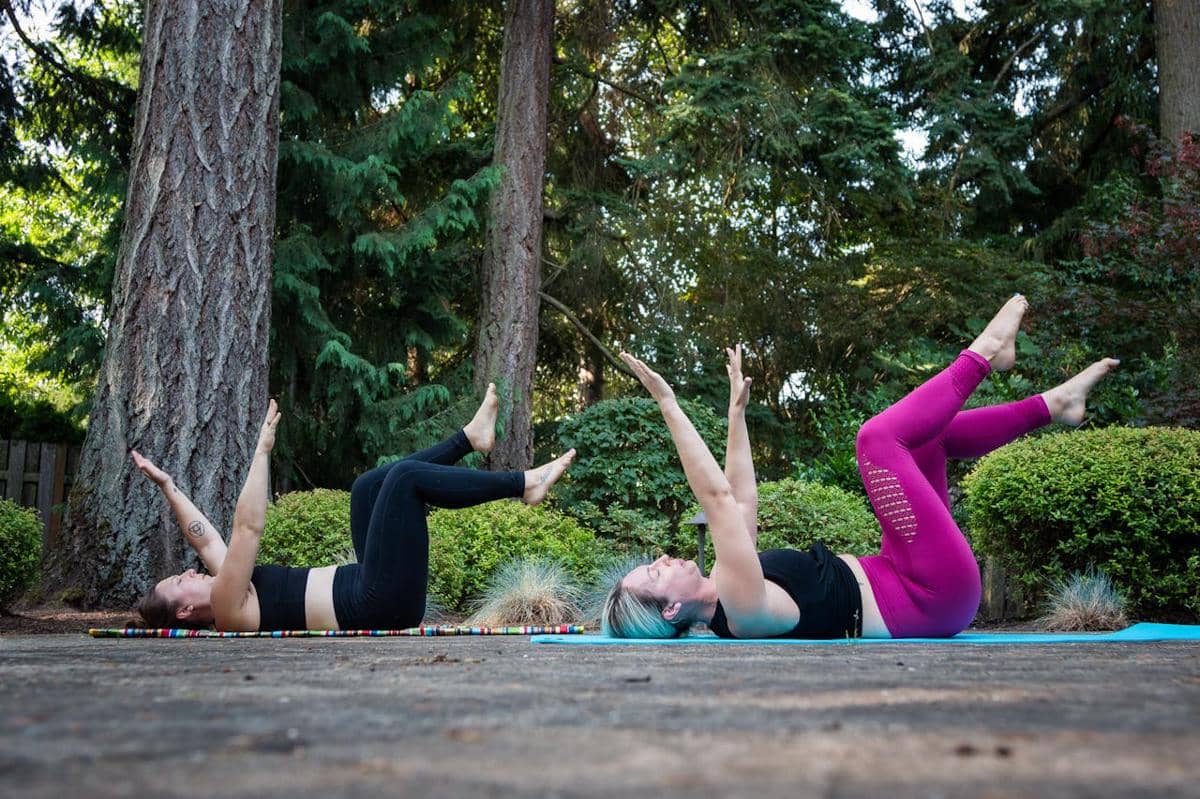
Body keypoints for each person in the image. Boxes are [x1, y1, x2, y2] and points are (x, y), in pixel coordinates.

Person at [603, 296, 1120, 639]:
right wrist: (667, 402)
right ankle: (985, 353)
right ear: (670, 610)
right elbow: (715, 501)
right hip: (934, 595)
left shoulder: (728, 582)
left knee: (929, 439)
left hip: (902, 570)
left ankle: (1055, 406)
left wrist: (736, 415)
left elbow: (741, 502)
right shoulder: (738, 607)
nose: (664, 558)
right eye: (655, 572)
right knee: (876, 438)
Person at [132, 385, 576, 631]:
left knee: (366, 487)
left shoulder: (228, 585)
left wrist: (168, 485)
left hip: (370, 584)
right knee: (403, 481)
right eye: (179, 581)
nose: (189, 572)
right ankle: (525, 484)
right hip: (381, 603)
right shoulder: (228, 608)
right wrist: (262, 452)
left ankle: (469, 439)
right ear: (186, 612)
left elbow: (203, 534)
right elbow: (246, 528)